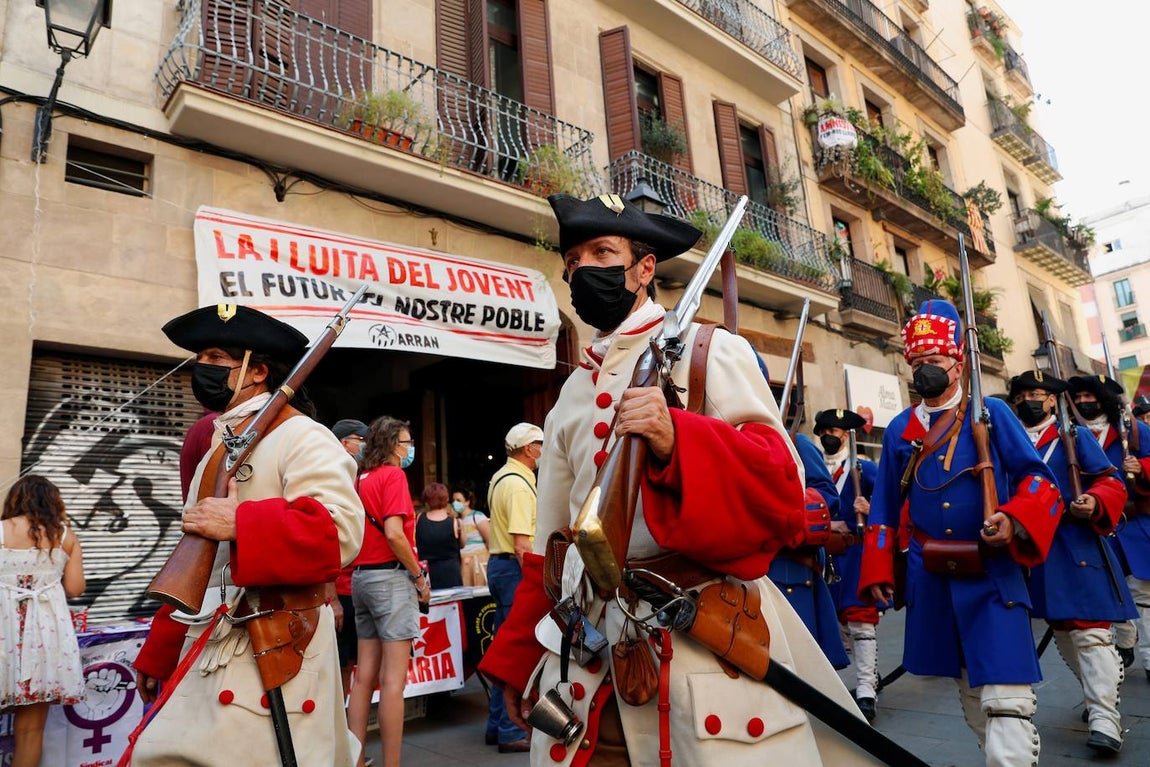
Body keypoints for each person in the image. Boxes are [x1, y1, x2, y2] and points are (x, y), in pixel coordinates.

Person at [478, 193, 883, 765]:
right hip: (590, 656)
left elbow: (784, 492)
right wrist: (517, 659)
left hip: (702, 639)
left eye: (602, 251)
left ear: (644, 268)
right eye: (573, 260)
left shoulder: (708, 353)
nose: (583, 269)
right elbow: (549, 551)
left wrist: (678, 439)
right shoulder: (569, 396)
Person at [127, 304, 365, 767]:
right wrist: (161, 648)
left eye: (217, 358)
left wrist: (241, 523)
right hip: (211, 638)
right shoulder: (219, 442)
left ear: (257, 371)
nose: (203, 368)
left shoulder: (304, 436)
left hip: (274, 640)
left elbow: (340, 531)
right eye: (203, 357)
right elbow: (198, 555)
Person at [859, 299, 1063, 767]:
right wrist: (877, 570)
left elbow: (1038, 479)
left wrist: (1013, 517)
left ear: (958, 363)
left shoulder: (990, 412)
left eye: (933, 362)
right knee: (971, 693)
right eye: (917, 364)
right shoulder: (900, 430)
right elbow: (885, 511)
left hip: (992, 572)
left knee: (1006, 697)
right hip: (932, 577)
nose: (925, 371)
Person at [1009, 370, 1133, 755]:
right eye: (1025, 393)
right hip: (1028, 548)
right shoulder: (1005, 439)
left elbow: (1110, 482)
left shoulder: (1074, 437)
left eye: (1039, 394)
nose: (1031, 399)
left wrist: (1094, 501)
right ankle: (1100, 697)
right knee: (1063, 630)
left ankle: (1104, 718)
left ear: (1052, 401)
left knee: (1089, 632)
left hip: (1073, 542)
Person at [347, 416, 431, 767]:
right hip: (391, 580)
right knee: (393, 681)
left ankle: (353, 759)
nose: (410, 449)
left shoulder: (359, 479)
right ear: (395, 446)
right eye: (408, 443)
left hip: (360, 579)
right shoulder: (394, 476)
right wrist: (419, 578)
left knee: (364, 677)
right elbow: (395, 533)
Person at [1067, 374, 1150, 683]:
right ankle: (1125, 640)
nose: (1084, 402)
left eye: (1091, 397)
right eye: (1080, 398)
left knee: (1142, 591)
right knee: (1110, 589)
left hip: (1134, 523)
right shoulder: (1070, 434)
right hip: (1095, 524)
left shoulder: (1133, 431)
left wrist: (1143, 467)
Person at [1, 475, 86, 767]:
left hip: (3, 636)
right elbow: (75, 588)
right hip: (42, 641)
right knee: (30, 732)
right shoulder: (65, 536)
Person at [815, 408, 883, 723]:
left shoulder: (864, 469)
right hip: (822, 554)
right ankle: (841, 687)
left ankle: (867, 690)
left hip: (855, 554)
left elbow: (889, 507)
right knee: (831, 622)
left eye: (836, 431)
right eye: (826, 429)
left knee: (860, 620)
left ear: (847, 436)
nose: (831, 435)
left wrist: (869, 508)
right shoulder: (811, 468)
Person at [482, 422, 543, 753]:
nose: (543, 450)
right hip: (513, 568)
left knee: (503, 644)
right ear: (528, 449)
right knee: (516, 648)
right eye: (540, 444)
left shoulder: (501, 477)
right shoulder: (519, 485)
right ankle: (508, 728)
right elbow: (523, 545)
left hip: (499, 566)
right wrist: (537, 582)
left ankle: (496, 725)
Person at [768, 431, 849, 670]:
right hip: (740, 574)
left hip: (789, 568)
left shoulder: (794, 440)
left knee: (801, 669)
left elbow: (827, 497)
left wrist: (780, 506)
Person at [331, 418, 370, 697]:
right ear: (345, 443)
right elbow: (328, 541)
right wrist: (332, 598)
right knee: (340, 663)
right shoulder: (333, 477)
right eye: (361, 439)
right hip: (340, 590)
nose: (365, 446)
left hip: (356, 586)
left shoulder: (357, 477)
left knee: (353, 662)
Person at [416, 482, 463, 589]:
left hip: (426, 574)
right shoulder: (454, 522)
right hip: (451, 574)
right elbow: (462, 544)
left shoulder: (419, 519)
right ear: (446, 499)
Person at [453, 484, 490, 587]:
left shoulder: (477, 516)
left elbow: (490, 540)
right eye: (454, 500)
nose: (455, 503)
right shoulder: (455, 521)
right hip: (464, 564)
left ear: (467, 502)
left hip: (479, 562)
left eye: (459, 500)